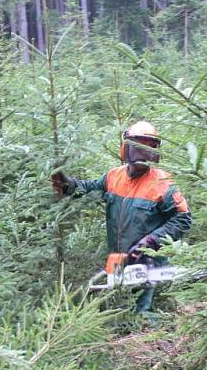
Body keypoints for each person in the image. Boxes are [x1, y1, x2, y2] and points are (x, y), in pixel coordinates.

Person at [51, 121, 192, 313]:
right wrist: (68, 185)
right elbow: (90, 188)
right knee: (118, 311)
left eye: (149, 147)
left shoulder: (163, 184)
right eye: (138, 147)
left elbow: (182, 219)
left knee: (141, 314)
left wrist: (151, 241)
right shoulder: (113, 177)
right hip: (118, 256)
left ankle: (146, 339)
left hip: (149, 260)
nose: (143, 154)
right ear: (126, 149)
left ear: (155, 152)